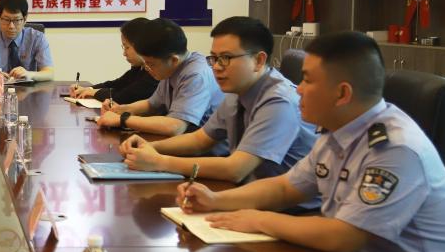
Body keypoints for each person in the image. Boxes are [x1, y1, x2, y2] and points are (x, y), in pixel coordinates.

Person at [180, 31, 445, 252]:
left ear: (342, 94)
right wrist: (216, 200)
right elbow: (285, 188)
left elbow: (346, 237)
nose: (298, 89)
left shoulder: (395, 149)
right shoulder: (339, 128)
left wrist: (259, 220)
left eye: (307, 80)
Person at [119, 16, 316, 182]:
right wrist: (149, 147)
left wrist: (160, 162)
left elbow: (235, 169)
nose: (216, 67)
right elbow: (200, 140)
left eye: (226, 58)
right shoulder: (237, 91)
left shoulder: (278, 101)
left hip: (292, 208)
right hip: (252, 191)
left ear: (258, 60)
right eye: (213, 58)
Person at [97, 17, 223, 136]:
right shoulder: (170, 68)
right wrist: (120, 109)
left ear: (173, 60)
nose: (147, 68)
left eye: (150, 64)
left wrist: (122, 119)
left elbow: (175, 126)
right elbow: (151, 105)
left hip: (207, 150)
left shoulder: (196, 75)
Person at [69, 17, 158, 105]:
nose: (124, 53)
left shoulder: (154, 72)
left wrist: (93, 92)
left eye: (127, 47)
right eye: (123, 47)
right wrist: (88, 89)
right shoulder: (138, 68)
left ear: (141, 45)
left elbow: (121, 97)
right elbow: (117, 84)